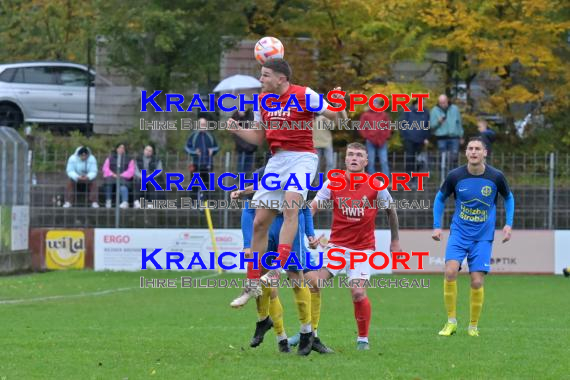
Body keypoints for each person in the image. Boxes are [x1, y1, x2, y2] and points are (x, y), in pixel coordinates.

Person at [227, 58, 346, 355]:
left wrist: (338, 104)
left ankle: (276, 268)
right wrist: (236, 129)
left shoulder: (304, 94)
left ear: (280, 78)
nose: (260, 78)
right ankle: (252, 283)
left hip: (302, 158)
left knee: (291, 208)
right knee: (259, 222)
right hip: (277, 160)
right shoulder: (262, 100)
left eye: (265, 74)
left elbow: (337, 119)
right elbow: (258, 136)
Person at [305, 142, 401, 351]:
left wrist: (395, 241)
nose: (354, 158)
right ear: (345, 159)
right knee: (314, 283)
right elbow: (312, 207)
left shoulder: (377, 184)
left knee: (358, 293)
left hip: (363, 249)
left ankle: (363, 340)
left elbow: (391, 211)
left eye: (359, 155)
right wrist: (309, 233)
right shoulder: (334, 182)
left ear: (366, 161)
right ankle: (309, 334)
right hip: (336, 247)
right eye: (350, 154)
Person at [229, 165, 333, 354]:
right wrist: (247, 243)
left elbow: (305, 209)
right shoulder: (260, 173)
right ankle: (278, 334)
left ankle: (307, 333)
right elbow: (248, 210)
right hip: (268, 230)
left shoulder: (300, 172)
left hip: (292, 227)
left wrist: (310, 234)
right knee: (263, 281)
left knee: (302, 278)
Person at [432, 137, 514, 337]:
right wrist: (436, 226)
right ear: (466, 152)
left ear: (485, 153)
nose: (474, 152)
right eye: (470, 148)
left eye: (478, 149)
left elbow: (508, 197)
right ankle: (451, 322)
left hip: (483, 237)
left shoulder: (496, 177)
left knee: (476, 281)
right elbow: (440, 198)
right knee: (450, 272)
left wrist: (508, 224)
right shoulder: (455, 176)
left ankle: (473, 326)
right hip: (459, 233)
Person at [185, 118, 219, 200]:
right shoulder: (193, 135)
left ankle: (206, 202)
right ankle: (193, 202)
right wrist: (194, 152)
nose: (202, 126)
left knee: (207, 184)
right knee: (194, 184)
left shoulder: (210, 136)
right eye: (201, 124)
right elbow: (186, 148)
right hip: (195, 164)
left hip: (207, 164)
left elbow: (216, 147)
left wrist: (212, 150)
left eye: (204, 124)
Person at [399, 98, 431, 188]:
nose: (424, 104)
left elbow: (427, 126)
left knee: (419, 160)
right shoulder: (408, 111)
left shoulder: (426, 112)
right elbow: (402, 124)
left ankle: (416, 178)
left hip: (421, 140)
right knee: (409, 158)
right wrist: (405, 135)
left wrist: (426, 137)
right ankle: (408, 178)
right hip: (409, 139)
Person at [358, 100, 392, 176]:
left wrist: (386, 136)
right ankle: (371, 180)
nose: (374, 105)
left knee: (384, 161)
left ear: (378, 104)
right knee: (370, 161)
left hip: (382, 141)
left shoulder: (384, 115)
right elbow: (361, 127)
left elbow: (388, 126)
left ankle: (386, 179)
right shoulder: (365, 115)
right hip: (370, 141)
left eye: (376, 103)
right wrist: (366, 136)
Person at [430, 95, 464, 172]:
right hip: (441, 138)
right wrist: (438, 122)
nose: (442, 104)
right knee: (443, 158)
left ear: (447, 100)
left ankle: (454, 176)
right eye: (440, 103)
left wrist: (461, 136)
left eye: (444, 102)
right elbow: (431, 126)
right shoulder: (434, 110)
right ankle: (444, 177)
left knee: (454, 157)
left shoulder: (455, 109)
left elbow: (459, 123)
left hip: (454, 137)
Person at [102, 143, 135, 209]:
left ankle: (125, 202)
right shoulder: (110, 158)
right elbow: (105, 168)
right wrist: (113, 174)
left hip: (123, 179)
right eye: (119, 147)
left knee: (123, 186)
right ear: (116, 149)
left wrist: (121, 175)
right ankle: (108, 201)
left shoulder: (129, 159)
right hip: (112, 177)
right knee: (108, 183)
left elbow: (131, 171)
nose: (121, 149)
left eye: (123, 148)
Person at [133, 144, 164, 208]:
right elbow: (135, 170)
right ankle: (137, 202)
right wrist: (140, 176)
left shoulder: (156, 159)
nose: (148, 152)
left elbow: (159, 170)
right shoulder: (138, 159)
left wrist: (151, 176)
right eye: (146, 150)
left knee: (151, 183)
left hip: (152, 177)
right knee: (139, 183)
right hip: (141, 176)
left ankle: (150, 203)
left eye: (150, 151)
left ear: (152, 152)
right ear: (144, 150)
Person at [230, 105, 257, 177]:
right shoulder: (236, 115)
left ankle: (246, 183)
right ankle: (239, 183)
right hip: (241, 147)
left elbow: (256, 129)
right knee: (240, 167)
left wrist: (252, 145)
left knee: (248, 168)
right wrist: (239, 117)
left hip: (250, 147)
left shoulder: (253, 114)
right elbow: (232, 129)